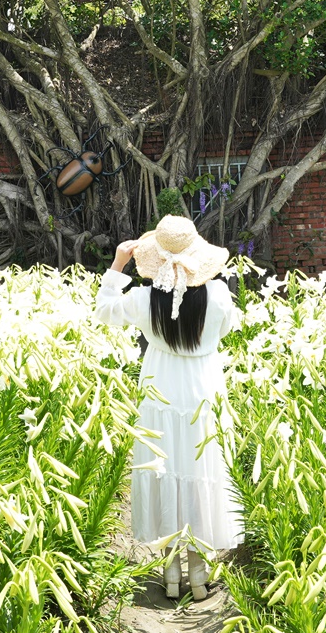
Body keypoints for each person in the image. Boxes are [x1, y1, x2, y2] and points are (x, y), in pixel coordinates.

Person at [95, 214, 243, 599]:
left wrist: (117, 265)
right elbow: (227, 326)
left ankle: (170, 574)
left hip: (160, 392)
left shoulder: (143, 300)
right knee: (199, 475)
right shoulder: (219, 296)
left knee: (165, 472)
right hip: (201, 392)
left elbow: (104, 311)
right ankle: (198, 576)